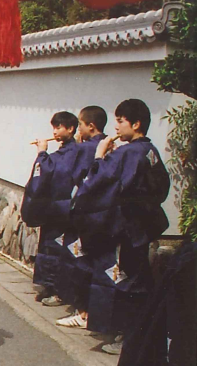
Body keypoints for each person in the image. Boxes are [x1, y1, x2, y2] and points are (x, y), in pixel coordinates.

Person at [72, 99, 170, 355]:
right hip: (139, 227)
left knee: (123, 281)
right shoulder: (150, 151)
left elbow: (98, 184)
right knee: (137, 278)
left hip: (123, 227)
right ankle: (132, 334)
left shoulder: (127, 153)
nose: (115, 126)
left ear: (135, 124)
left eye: (120, 120)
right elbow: (160, 188)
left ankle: (127, 338)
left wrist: (99, 155)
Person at [55, 106, 107, 329]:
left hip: (83, 214)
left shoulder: (87, 149)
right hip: (101, 216)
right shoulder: (108, 146)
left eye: (82, 124)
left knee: (78, 260)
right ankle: (89, 311)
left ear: (90, 126)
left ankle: (82, 311)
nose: (80, 128)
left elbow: (74, 176)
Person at [20, 111, 79, 307]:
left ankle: (55, 289)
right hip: (54, 209)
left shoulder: (73, 153)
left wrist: (42, 153)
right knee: (47, 247)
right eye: (53, 127)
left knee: (56, 249)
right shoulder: (64, 152)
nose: (54, 131)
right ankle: (48, 285)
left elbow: (50, 172)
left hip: (61, 209)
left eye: (59, 127)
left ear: (70, 129)